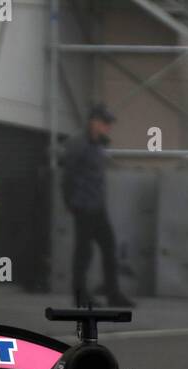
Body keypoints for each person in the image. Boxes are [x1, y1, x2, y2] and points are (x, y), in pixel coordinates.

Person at [61, 103, 133, 308]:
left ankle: (112, 293)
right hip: (83, 206)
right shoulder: (78, 144)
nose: (108, 126)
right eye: (105, 122)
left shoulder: (98, 145)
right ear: (93, 122)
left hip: (97, 206)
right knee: (84, 252)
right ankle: (80, 295)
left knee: (108, 248)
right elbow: (67, 177)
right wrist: (70, 203)